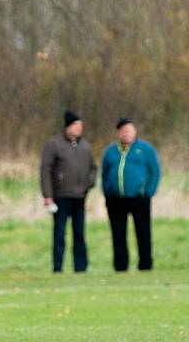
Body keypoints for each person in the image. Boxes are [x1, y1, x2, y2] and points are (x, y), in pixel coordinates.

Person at [39, 110, 97, 273]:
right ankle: (58, 267)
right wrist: (48, 196)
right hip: (61, 197)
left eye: (81, 126)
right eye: (76, 125)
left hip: (80, 197)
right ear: (67, 127)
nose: (79, 129)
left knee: (79, 234)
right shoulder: (54, 145)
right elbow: (46, 170)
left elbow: (93, 168)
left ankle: (81, 267)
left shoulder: (85, 146)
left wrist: (89, 184)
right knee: (60, 234)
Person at [101, 118, 161, 271]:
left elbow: (155, 172)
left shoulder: (145, 149)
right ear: (119, 133)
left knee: (143, 233)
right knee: (118, 235)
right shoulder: (111, 151)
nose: (126, 133)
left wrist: (148, 192)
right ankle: (121, 267)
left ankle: (145, 265)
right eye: (123, 130)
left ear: (135, 131)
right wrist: (107, 192)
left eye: (129, 130)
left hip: (139, 198)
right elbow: (105, 174)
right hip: (116, 199)